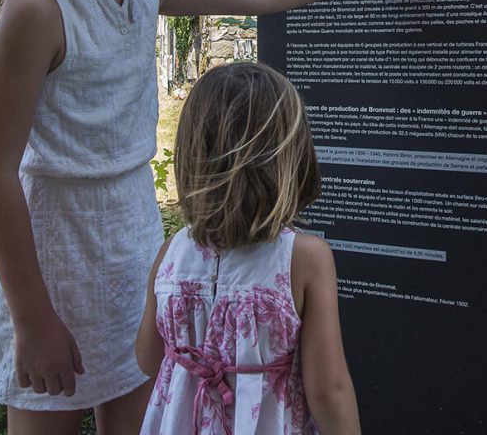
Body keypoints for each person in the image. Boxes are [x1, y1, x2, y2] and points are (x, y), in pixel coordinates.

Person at [0, 0, 416, 435]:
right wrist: (33, 318)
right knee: (49, 407)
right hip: (53, 250)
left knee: (138, 407)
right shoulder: (39, 7)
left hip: (128, 233)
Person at [136, 61, 361, 435]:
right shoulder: (304, 259)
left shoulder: (170, 253)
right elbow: (329, 390)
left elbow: (147, 358)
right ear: (289, 157)